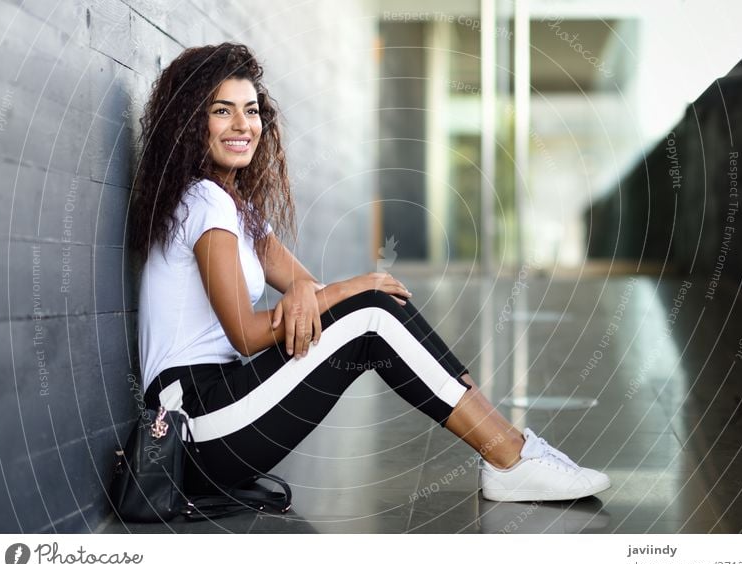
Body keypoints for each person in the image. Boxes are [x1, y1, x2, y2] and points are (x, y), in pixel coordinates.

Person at [127, 42, 610, 504]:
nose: (242, 124)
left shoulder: (238, 211)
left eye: (251, 110)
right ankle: (509, 457)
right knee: (372, 311)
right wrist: (347, 287)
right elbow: (248, 332)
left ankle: (510, 447)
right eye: (221, 110)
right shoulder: (204, 200)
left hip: (222, 411)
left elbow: (305, 288)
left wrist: (308, 292)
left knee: (378, 308)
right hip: (190, 423)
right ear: (193, 123)